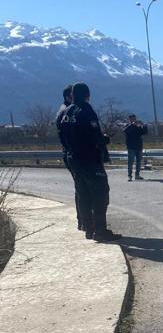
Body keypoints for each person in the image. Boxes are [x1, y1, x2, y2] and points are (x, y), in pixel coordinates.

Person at [60, 83, 121, 241]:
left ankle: (88, 228)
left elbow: (62, 136)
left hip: (73, 158)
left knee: (83, 194)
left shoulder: (66, 112)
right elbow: (96, 137)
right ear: (87, 95)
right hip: (90, 159)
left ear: (72, 95)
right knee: (100, 194)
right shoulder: (86, 110)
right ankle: (100, 230)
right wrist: (105, 139)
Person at [55, 85, 83, 231]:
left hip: (70, 153)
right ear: (69, 97)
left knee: (81, 187)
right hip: (74, 154)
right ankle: (83, 220)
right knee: (82, 187)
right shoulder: (67, 112)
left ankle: (84, 220)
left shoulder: (65, 110)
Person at [123, 114, 148, 181]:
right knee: (130, 162)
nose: (134, 120)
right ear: (130, 119)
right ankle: (129, 175)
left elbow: (145, 133)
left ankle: (137, 175)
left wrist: (144, 125)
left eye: (135, 119)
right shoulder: (127, 126)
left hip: (139, 147)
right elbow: (126, 131)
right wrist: (133, 124)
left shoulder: (138, 126)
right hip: (131, 147)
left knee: (138, 162)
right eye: (132, 119)